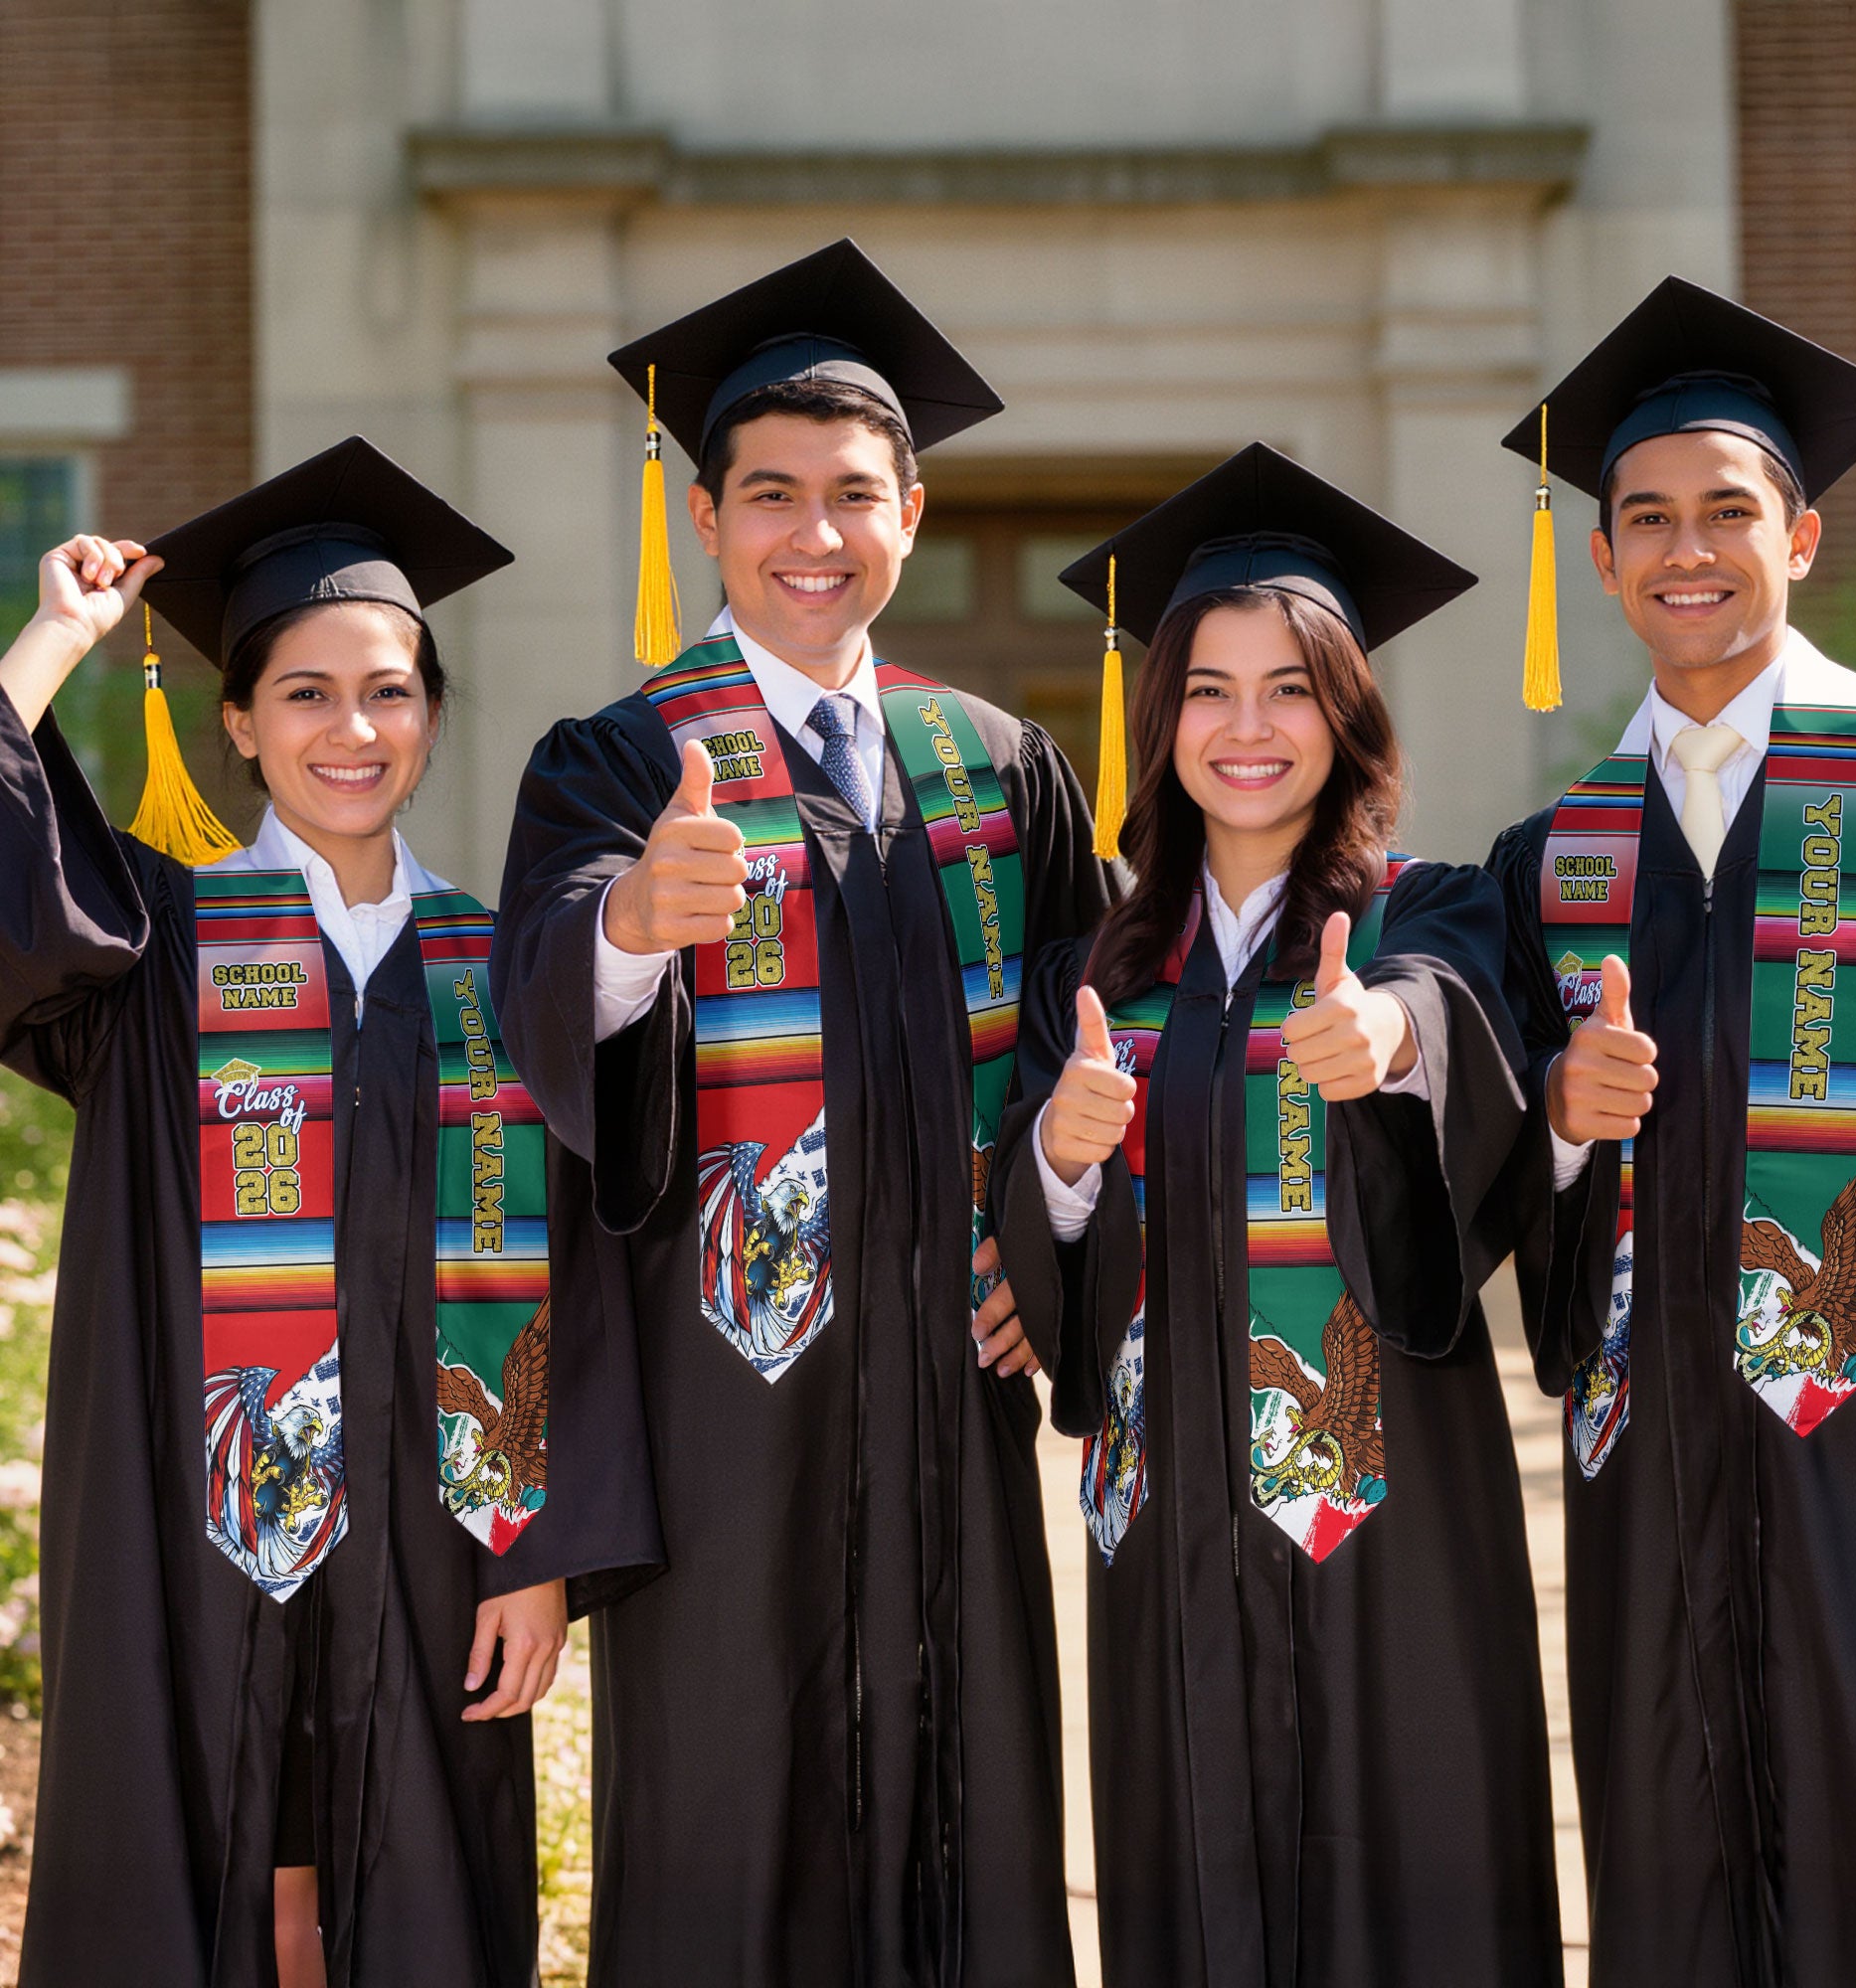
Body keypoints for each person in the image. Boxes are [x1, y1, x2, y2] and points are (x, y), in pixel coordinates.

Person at [493, 240, 1115, 1987]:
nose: (814, 535)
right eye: (771, 496)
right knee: (730, 1826)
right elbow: (542, 1004)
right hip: (728, 1409)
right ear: (707, 518)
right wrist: (630, 925)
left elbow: (1103, 1038)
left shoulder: (997, 761)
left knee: (970, 1807)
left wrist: (1049, 1244)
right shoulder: (619, 760)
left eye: (855, 495)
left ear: (912, 511)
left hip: (952, 1396)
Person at [0, 437, 646, 1988]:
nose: (352, 729)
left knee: (418, 1890)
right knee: (197, 1855)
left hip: (439, 1537)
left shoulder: (506, 966)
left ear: (430, 715)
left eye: (390, 691)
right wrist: (50, 644)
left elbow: (587, 1274)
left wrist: (539, 1549)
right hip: (187, 1524)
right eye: (304, 692)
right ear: (236, 719)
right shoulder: (156, 944)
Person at [991, 444, 1562, 1987]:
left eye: (1293, 688)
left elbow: (1460, 1025)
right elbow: (1043, 1255)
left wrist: (1389, 1044)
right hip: (1166, 1518)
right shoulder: (1092, 974)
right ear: (1159, 716)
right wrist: (1056, 1151)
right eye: (1209, 690)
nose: (1250, 729)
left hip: (1391, 1520)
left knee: (1416, 1880)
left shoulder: (1430, 910)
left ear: (1350, 713)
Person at [1489, 277, 1856, 1987]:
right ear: (1607, 557)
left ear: (1804, 533)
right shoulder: (1556, 852)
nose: (1684, 550)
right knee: (1672, 1871)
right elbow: (1492, 1167)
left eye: (1727, 512)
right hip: (1652, 1471)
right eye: (1645, 519)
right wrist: (1556, 1123)